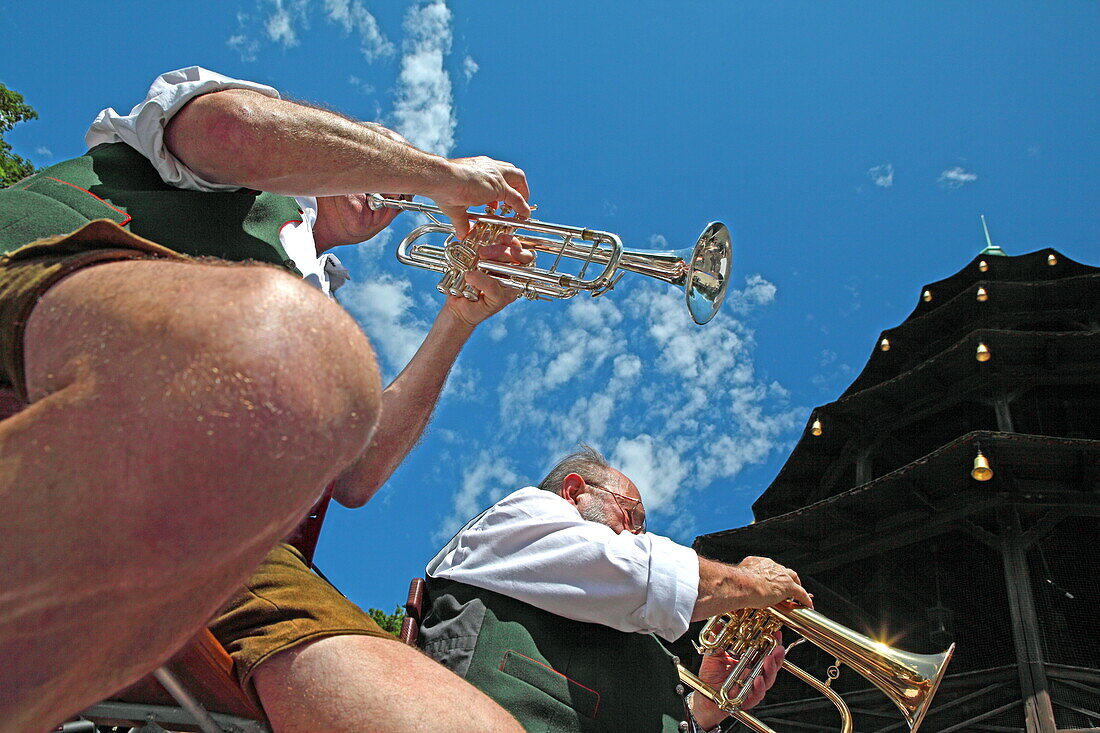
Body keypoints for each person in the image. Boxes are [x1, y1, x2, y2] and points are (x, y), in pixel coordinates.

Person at [0, 66, 526, 732]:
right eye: (378, 154)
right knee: (295, 353)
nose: (393, 190)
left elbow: (355, 475)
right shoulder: (240, 165)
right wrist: (438, 172)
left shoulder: (316, 290)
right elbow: (230, 128)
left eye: (400, 192)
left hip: (211, 528)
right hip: (39, 321)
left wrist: (460, 317)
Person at [421, 445, 813, 732]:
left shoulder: (604, 606)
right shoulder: (524, 512)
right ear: (575, 492)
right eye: (631, 515)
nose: (639, 534)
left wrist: (704, 708)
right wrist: (751, 582)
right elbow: (634, 570)